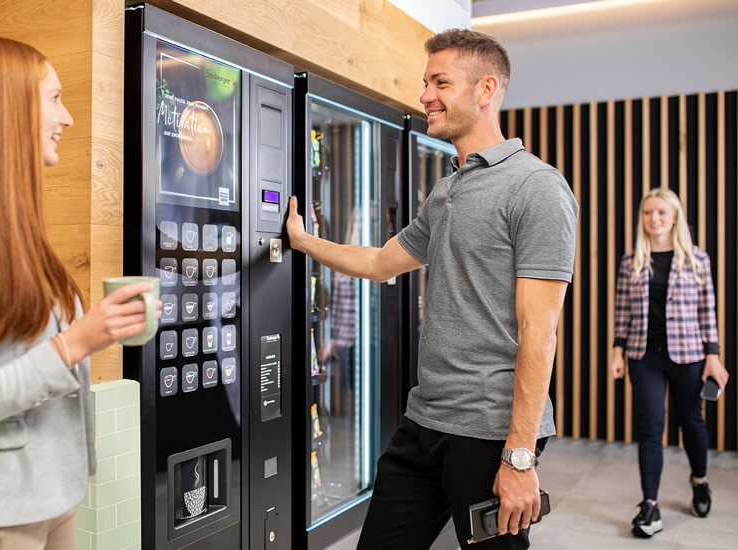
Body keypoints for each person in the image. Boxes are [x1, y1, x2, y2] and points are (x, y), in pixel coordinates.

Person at [287, 29, 577, 549]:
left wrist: (519, 456)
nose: (424, 95)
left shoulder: (537, 188)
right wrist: (304, 241)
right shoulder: (445, 191)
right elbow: (379, 262)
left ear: (486, 90)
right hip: (424, 419)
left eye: (440, 82)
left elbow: (541, 330)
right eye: (426, 82)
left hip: (488, 431)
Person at [0, 37, 159, 549]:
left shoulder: (15, 228)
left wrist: (99, 331)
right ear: (7, 108)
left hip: (48, 497)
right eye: (54, 99)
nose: (67, 118)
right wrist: (75, 343)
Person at [610, 188, 728, 538]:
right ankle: (650, 505)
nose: (654, 219)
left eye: (661, 212)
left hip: (689, 355)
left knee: (691, 422)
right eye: (647, 213)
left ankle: (701, 482)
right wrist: (618, 351)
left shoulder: (697, 259)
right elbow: (623, 313)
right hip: (644, 356)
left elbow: (708, 313)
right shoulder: (632, 261)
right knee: (650, 426)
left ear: (674, 217)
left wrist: (714, 357)